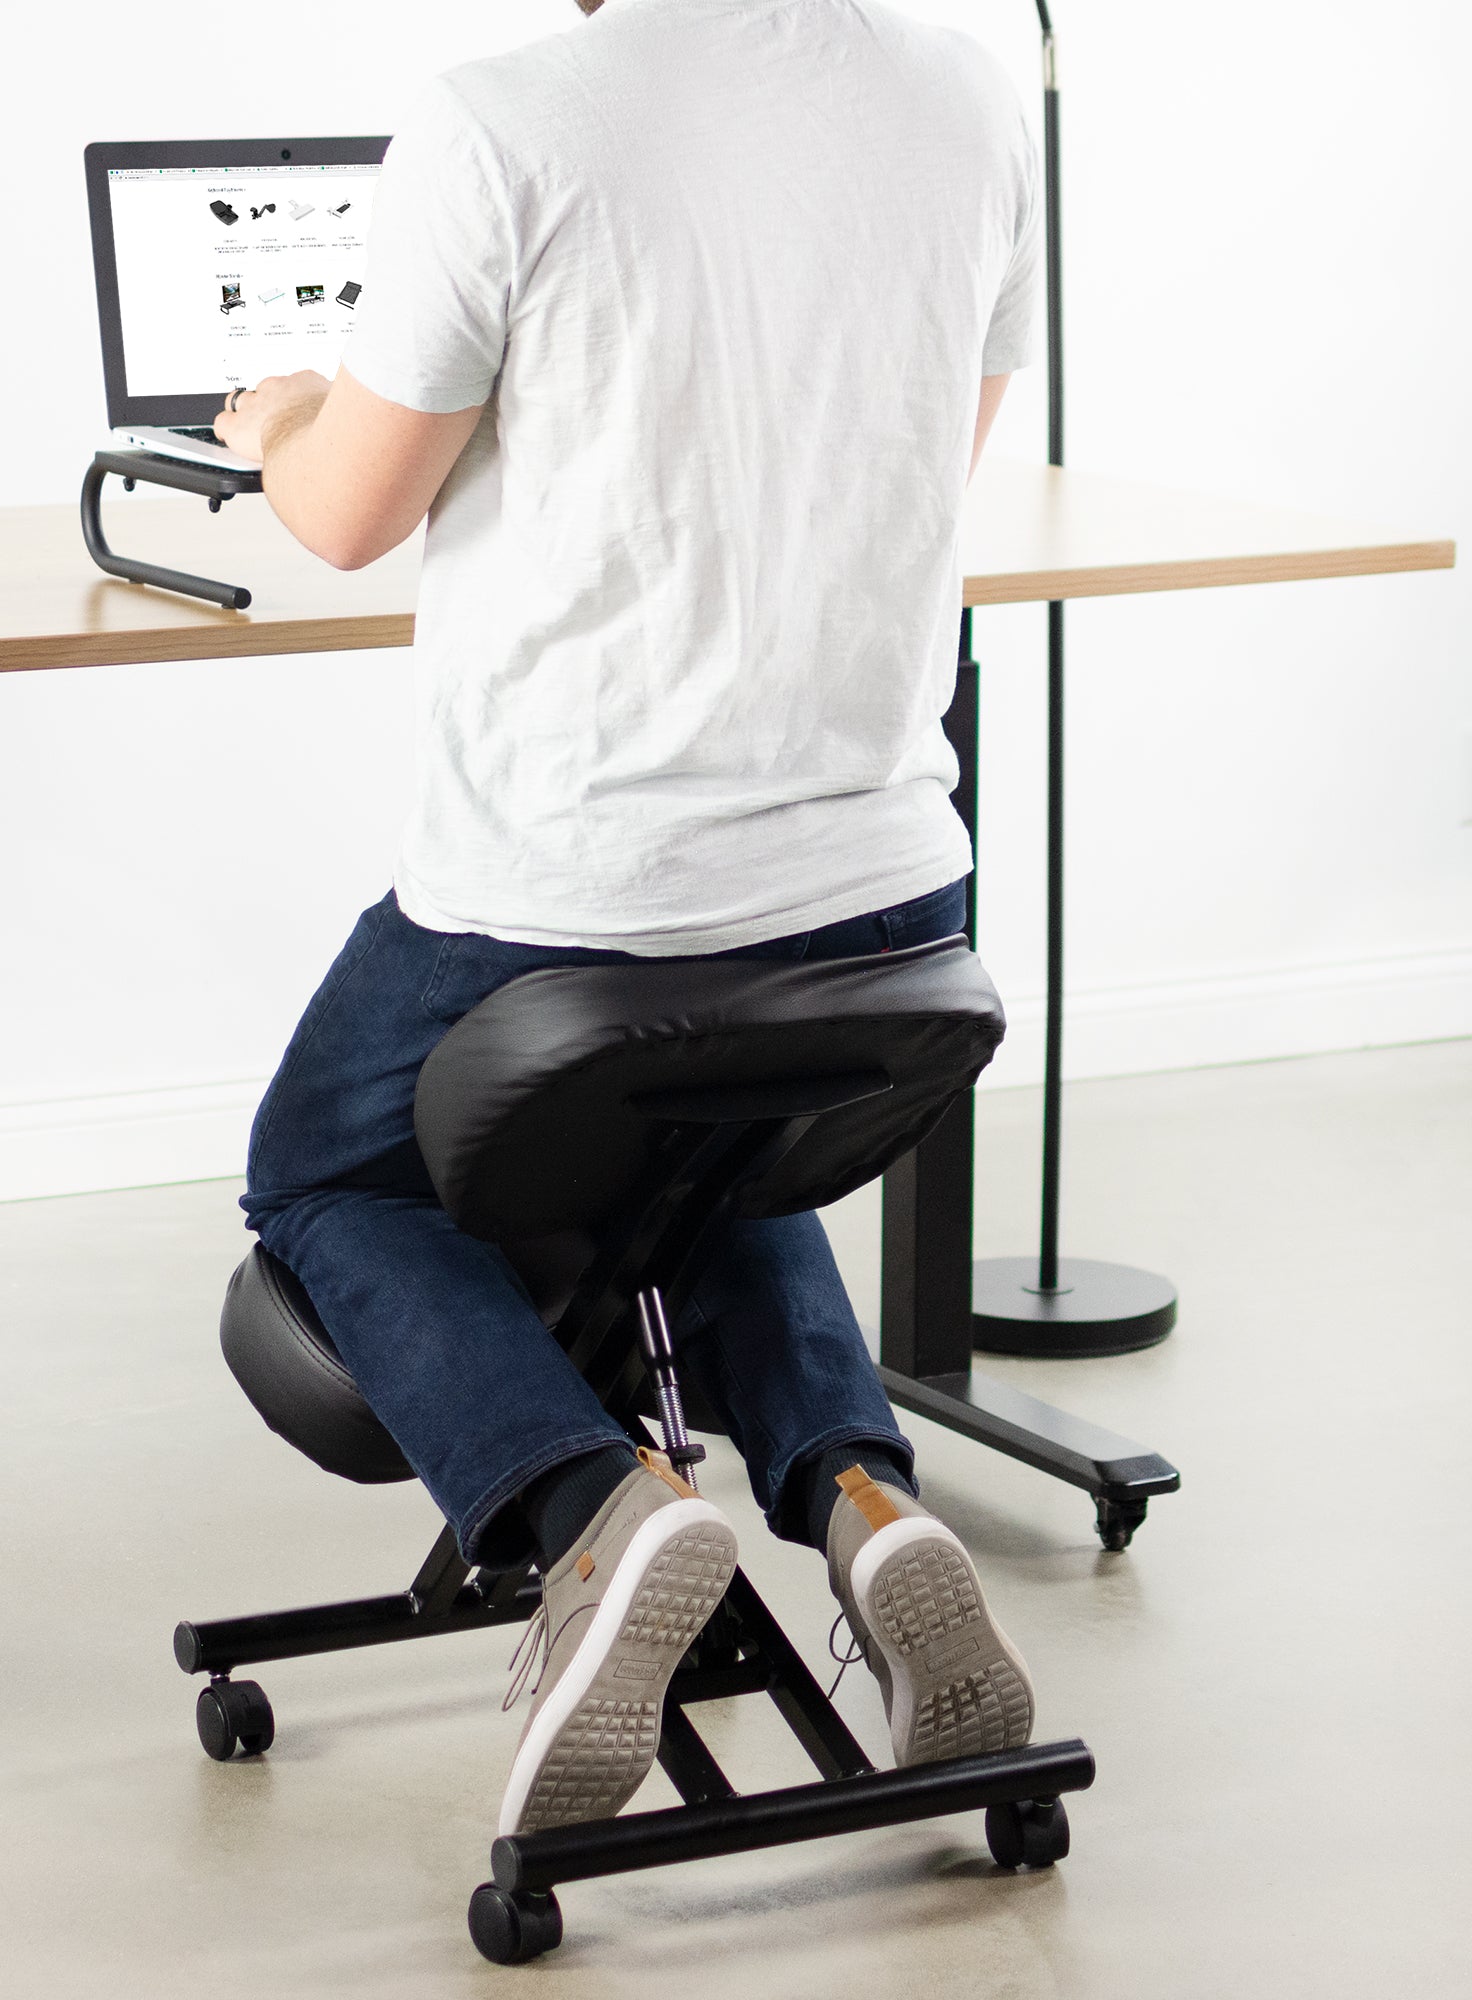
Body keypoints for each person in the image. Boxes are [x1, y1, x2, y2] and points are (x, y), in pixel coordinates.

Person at [214, 0, 1041, 1838]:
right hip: (886, 889)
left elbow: (347, 515)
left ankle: (596, 1511)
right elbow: (933, 452)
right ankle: (865, 1508)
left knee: (325, 1175)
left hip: (574, 890)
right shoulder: (969, 96)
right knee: (690, 1150)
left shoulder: (505, 120)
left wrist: (284, 415)